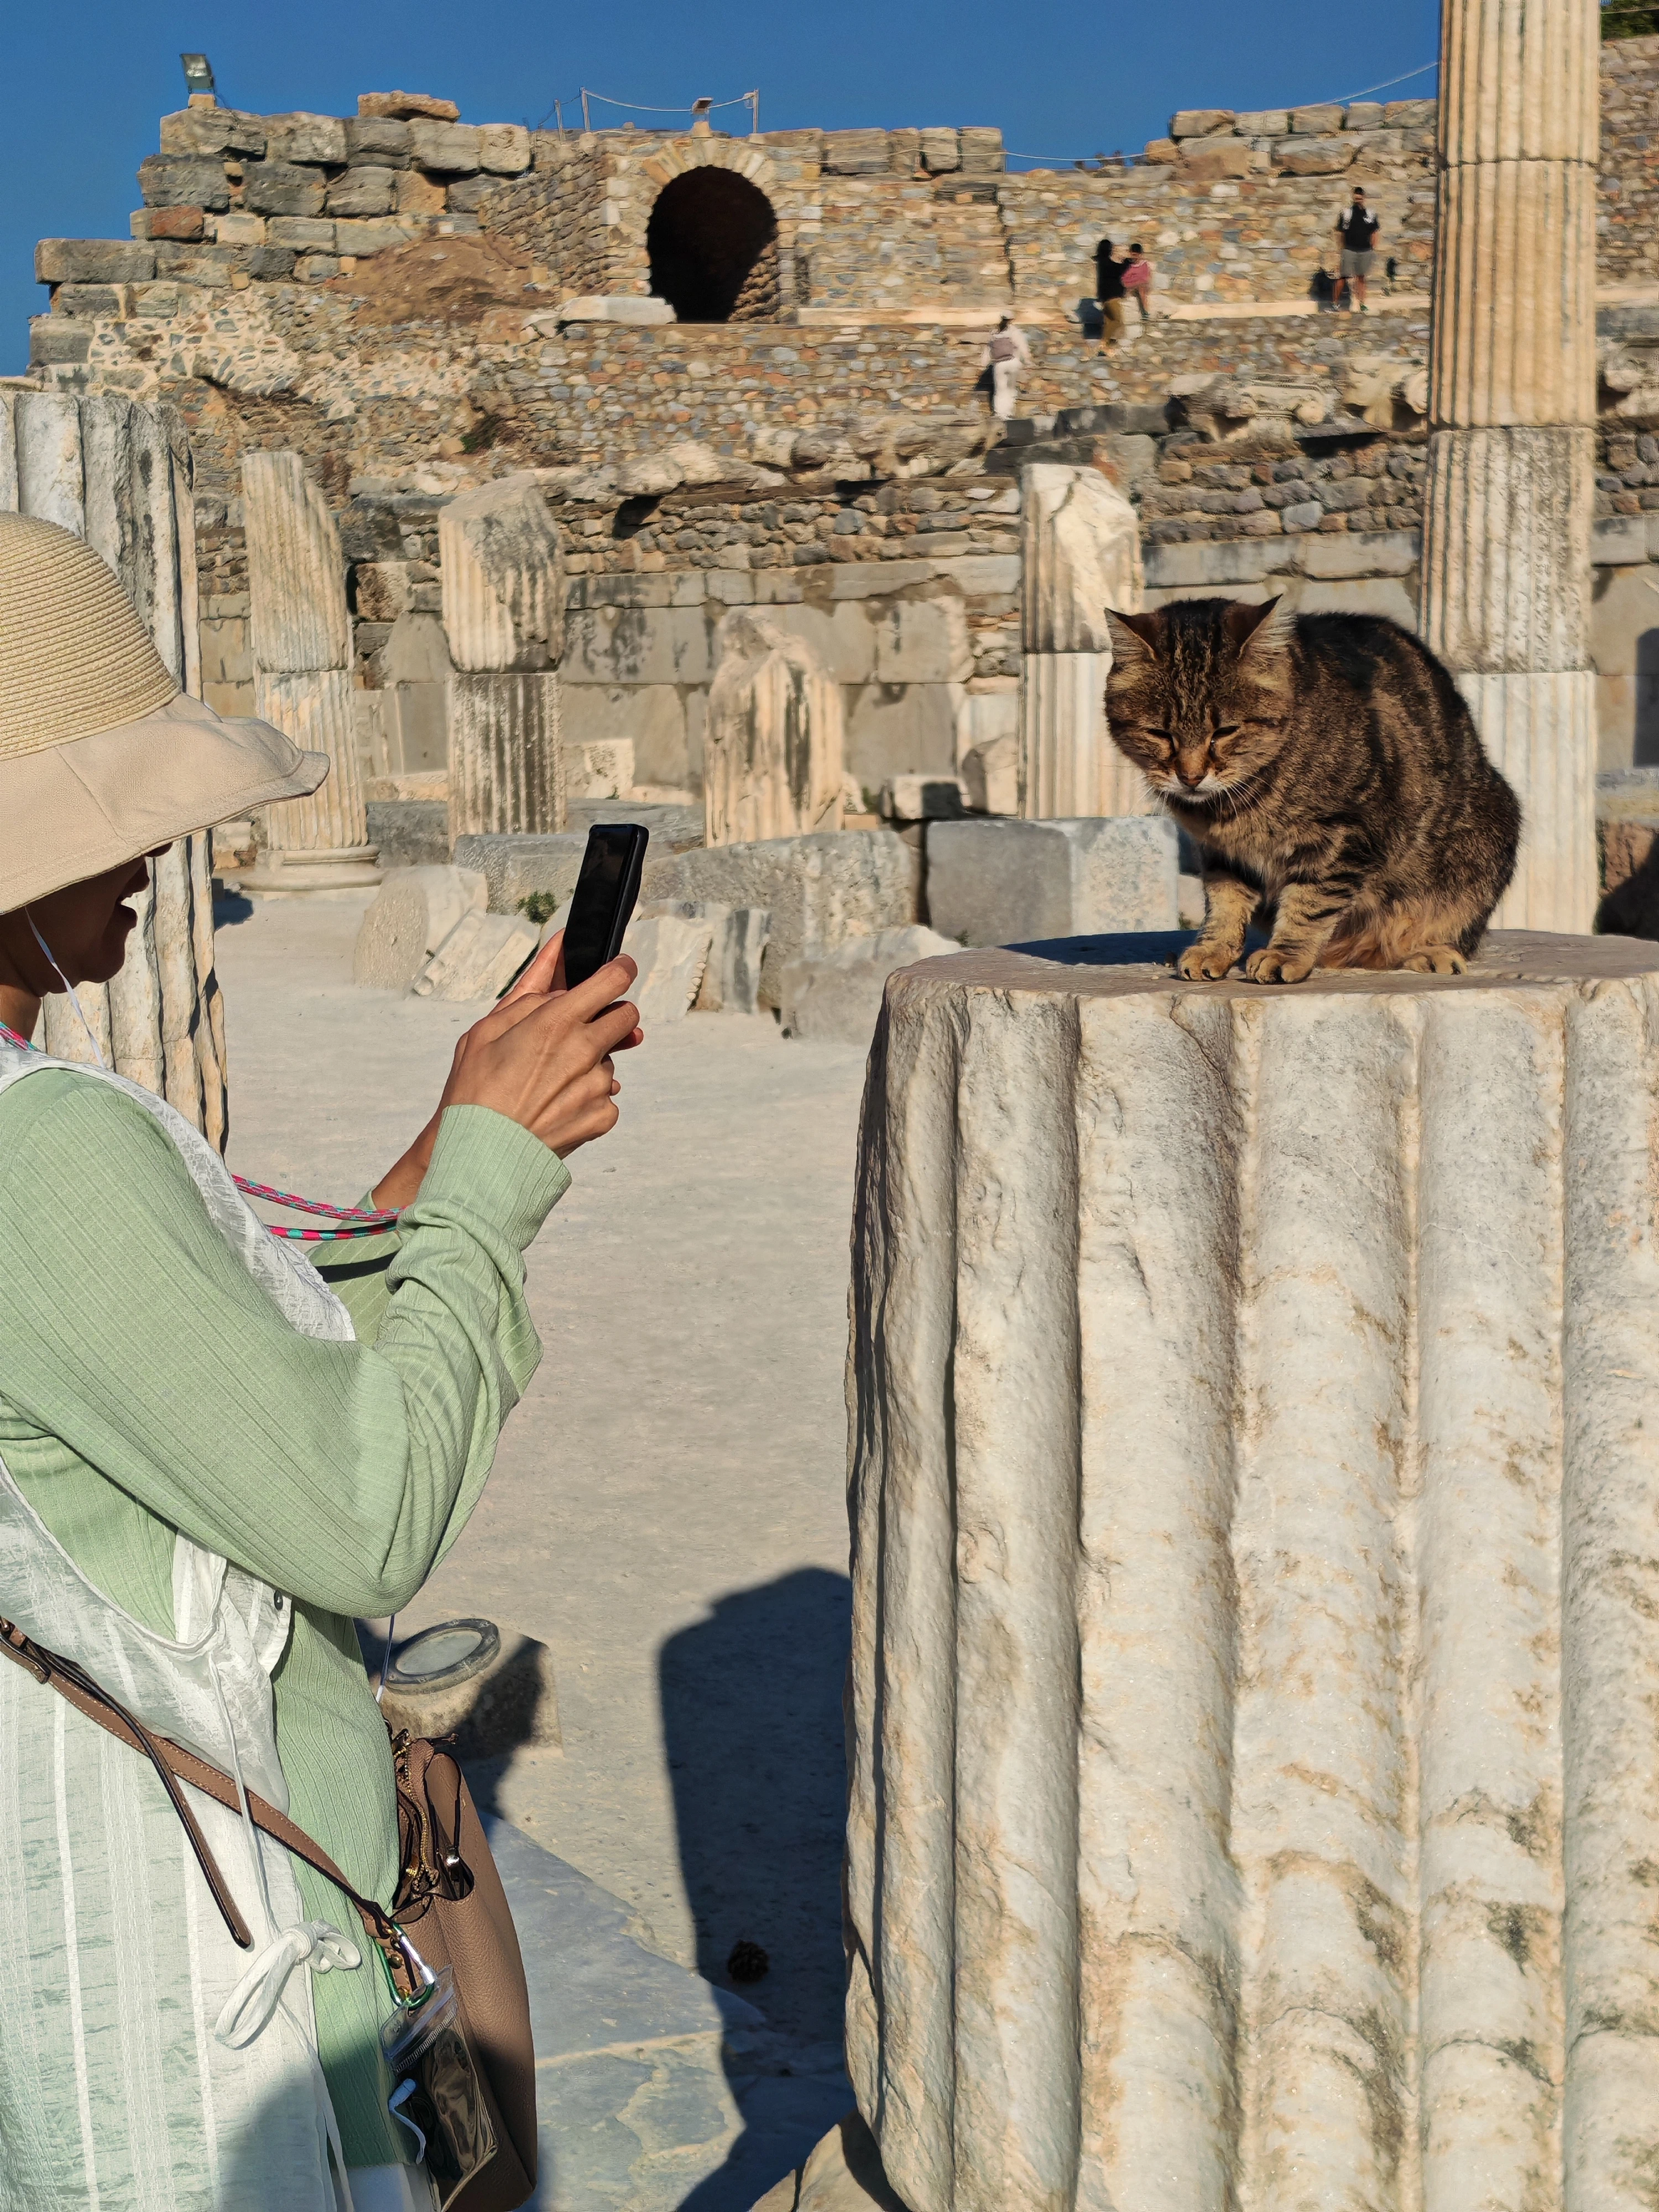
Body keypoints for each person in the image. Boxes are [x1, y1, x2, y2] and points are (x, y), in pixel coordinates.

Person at [0, 512, 642, 2211]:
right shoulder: (42, 1148)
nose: (161, 851)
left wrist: (441, 1157)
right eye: (117, 815)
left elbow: (169, 1387)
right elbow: (360, 1515)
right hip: (199, 1966)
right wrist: (488, 1204)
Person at [1334, 186, 1380, 310]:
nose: (1358, 200)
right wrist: (1341, 249)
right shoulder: (1346, 213)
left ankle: (1362, 303)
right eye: (1356, 198)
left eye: (1360, 198)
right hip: (1349, 249)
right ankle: (1336, 303)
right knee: (1343, 276)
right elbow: (1340, 232)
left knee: (1361, 277)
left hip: (1365, 250)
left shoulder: (1370, 214)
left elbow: (1374, 232)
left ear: (1363, 198)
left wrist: (1373, 248)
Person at [981, 312, 1032, 422]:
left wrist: (983, 364)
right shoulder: (1014, 332)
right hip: (1013, 362)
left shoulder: (994, 333)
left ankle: (1000, 414)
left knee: (1000, 390)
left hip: (999, 364)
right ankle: (1009, 413)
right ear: (1011, 320)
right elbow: (1022, 347)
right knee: (1010, 389)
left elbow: (988, 351)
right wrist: (1028, 361)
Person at [1095, 236, 1128, 346]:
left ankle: (1107, 345)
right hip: (1112, 296)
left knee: (1109, 322)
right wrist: (1126, 263)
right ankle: (1104, 342)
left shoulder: (1101, 262)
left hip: (1106, 296)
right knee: (1117, 321)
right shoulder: (1106, 263)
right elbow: (1117, 270)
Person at [1121, 243, 1153, 321]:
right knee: (1140, 287)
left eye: (1136, 255)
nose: (1133, 258)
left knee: (1142, 288)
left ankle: (1145, 312)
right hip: (1129, 286)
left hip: (1140, 286)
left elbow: (1145, 278)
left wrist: (1136, 281)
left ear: (1140, 255)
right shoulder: (1127, 264)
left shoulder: (1144, 265)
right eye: (1132, 255)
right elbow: (1124, 278)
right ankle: (1144, 312)